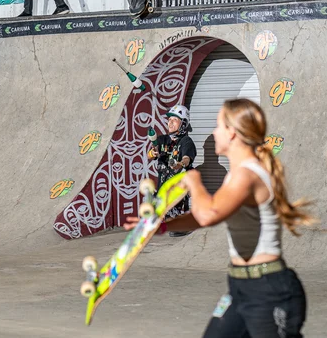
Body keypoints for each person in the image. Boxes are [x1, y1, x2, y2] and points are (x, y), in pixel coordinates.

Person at [126, 99, 316, 337]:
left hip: (269, 288)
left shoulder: (248, 174)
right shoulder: (235, 176)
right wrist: (162, 226)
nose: (214, 132)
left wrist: (194, 181)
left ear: (233, 133)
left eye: (218, 126)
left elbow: (208, 213)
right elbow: (203, 216)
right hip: (239, 288)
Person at [147, 104, 197, 234]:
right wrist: (153, 152)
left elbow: (187, 158)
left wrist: (180, 164)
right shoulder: (162, 139)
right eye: (169, 120)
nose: (170, 123)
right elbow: (150, 153)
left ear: (183, 123)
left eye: (174, 120)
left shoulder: (186, 141)